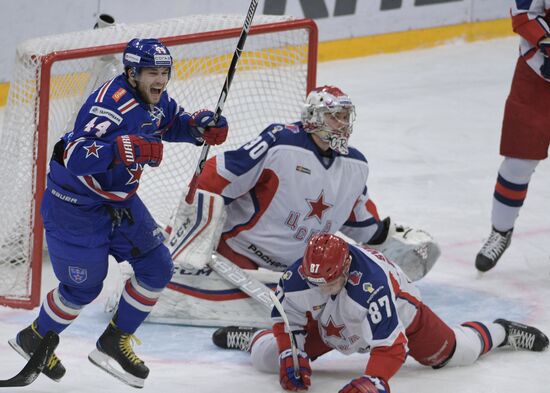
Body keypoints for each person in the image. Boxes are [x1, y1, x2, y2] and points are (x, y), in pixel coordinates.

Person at [8, 38, 228, 388]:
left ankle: (114, 340)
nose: (160, 80)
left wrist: (199, 127)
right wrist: (123, 148)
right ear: (132, 72)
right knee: (82, 290)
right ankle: (35, 336)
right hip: (75, 208)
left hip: (118, 200)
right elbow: (76, 156)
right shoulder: (107, 108)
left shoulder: (153, 98)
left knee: (158, 266)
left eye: (164, 72)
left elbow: (170, 123)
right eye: (152, 73)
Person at [149, 85, 440, 328]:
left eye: (345, 116)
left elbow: (361, 222)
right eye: (334, 116)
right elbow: (218, 175)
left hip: (302, 270)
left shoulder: (356, 165)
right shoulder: (281, 142)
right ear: (313, 118)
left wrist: (390, 243)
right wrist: (184, 232)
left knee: (339, 311)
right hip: (238, 257)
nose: (343, 124)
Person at [213, 233, 549, 392]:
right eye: (313, 279)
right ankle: (253, 339)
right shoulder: (301, 275)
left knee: (455, 353)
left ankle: (502, 330)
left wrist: (375, 380)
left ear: (345, 267)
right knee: (269, 360)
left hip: (405, 317)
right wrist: (290, 350)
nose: (318, 285)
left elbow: (391, 346)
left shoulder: (372, 288)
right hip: (335, 324)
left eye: (326, 280)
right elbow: (288, 318)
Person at [476, 1, 550, 272]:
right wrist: (545, 43)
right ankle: (501, 231)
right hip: (536, 78)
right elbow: (523, 14)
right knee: (518, 163)